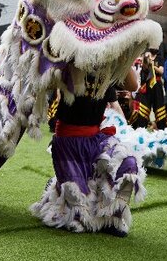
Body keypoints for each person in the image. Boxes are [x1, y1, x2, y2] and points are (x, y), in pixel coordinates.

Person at [35, 69, 140, 237]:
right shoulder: (71, 59)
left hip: (95, 139)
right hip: (68, 141)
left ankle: (111, 218)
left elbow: (131, 86)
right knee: (77, 214)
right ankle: (57, 187)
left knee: (128, 164)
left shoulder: (109, 68)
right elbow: (46, 80)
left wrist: (124, 53)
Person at [131, 50, 166, 129]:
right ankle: (141, 129)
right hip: (145, 87)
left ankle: (161, 129)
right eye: (147, 56)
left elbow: (161, 71)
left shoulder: (159, 58)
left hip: (157, 86)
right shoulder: (141, 61)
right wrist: (146, 62)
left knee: (159, 108)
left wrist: (152, 65)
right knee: (143, 109)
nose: (148, 57)